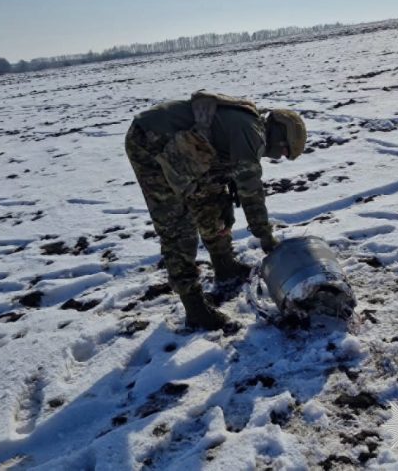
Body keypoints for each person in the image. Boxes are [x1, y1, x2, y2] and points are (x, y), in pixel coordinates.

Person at [124, 91, 306, 330]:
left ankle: (224, 265)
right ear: (280, 137)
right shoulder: (250, 132)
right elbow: (250, 190)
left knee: (213, 200)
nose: (279, 157)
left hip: (181, 147)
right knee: (177, 226)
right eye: (284, 152)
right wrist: (265, 236)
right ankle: (195, 308)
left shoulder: (249, 127)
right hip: (148, 143)